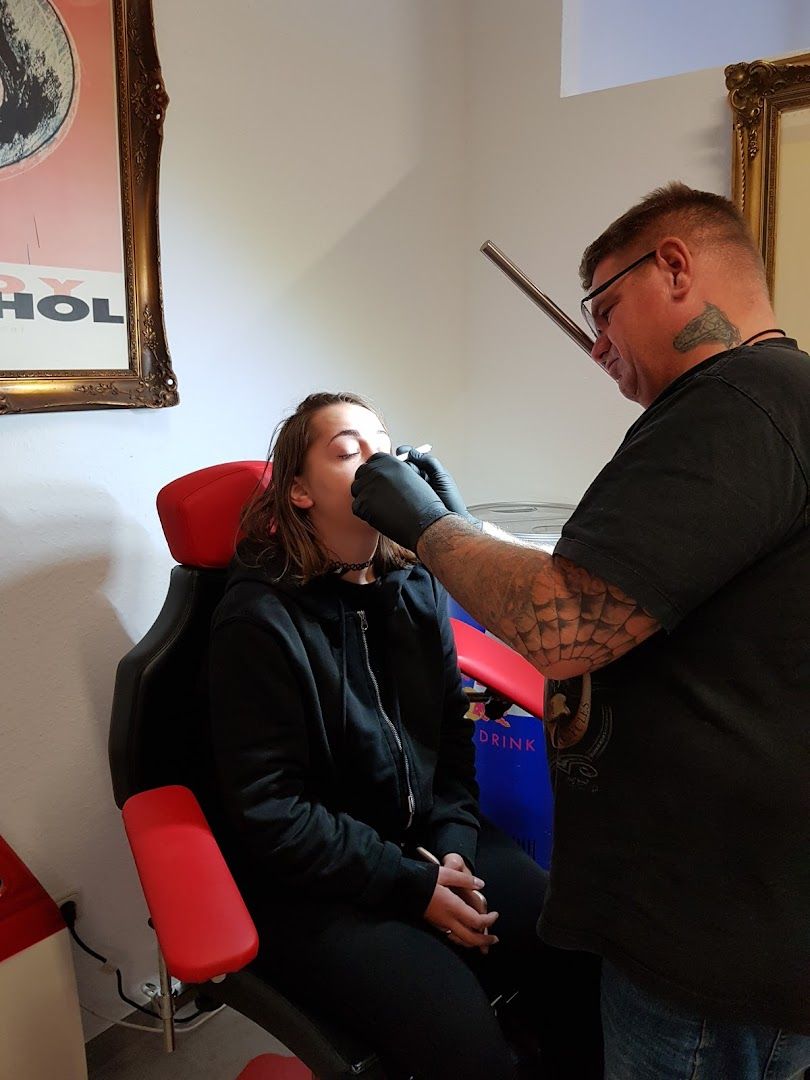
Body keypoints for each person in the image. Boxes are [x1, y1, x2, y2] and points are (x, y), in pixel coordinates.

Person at [351, 183, 810, 1080]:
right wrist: (469, 539)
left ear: (674, 265)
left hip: (707, 943)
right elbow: (631, 587)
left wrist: (432, 531)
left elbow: (570, 627)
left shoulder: (736, 408)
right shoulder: (779, 400)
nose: (596, 344)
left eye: (604, 310)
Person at [208, 391, 603, 1080]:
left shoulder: (416, 586)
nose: (377, 460)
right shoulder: (259, 621)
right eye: (348, 449)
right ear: (299, 492)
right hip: (325, 885)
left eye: (383, 445)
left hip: (431, 846)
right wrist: (413, 884)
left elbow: (452, 747)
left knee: (574, 952)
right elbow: (275, 816)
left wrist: (451, 851)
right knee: (466, 1048)